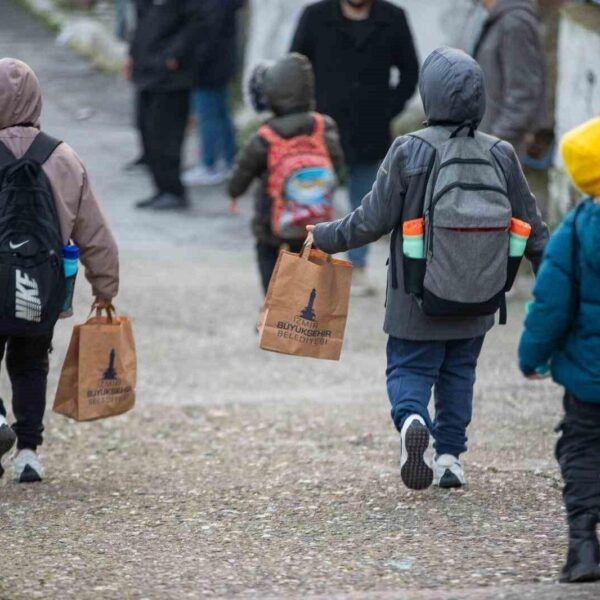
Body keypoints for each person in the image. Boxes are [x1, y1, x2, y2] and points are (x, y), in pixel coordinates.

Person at [307, 48, 548, 491]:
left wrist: (323, 237)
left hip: (416, 294)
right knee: (459, 373)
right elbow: (532, 225)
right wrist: (551, 276)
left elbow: (371, 221)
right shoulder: (501, 153)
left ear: (429, 95)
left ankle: (413, 420)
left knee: (409, 370)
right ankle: (451, 458)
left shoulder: (409, 149)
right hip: (480, 294)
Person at [0, 58, 119, 483]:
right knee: (31, 363)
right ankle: (28, 452)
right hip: (45, 287)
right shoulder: (63, 156)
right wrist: (105, 284)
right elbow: (94, 228)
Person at [291, 0, 419, 296]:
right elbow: (296, 67)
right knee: (314, 197)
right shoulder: (315, 16)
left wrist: (388, 107)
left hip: (369, 129)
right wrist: (307, 113)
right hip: (323, 127)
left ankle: (356, 270)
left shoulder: (393, 18)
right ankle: (313, 266)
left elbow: (410, 71)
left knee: (365, 202)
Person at [519, 117, 600, 584]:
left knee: (583, 449)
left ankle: (584, 546)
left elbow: (550, 303)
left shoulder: (575, 232)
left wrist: (532, 355)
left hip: (588, 378)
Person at [228, 54, 344, 295]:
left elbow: (245, 168)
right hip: (313, 213)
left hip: (273, 213)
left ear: (270, 95)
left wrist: (234, 191)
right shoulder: (324, 126)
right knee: (306, 255)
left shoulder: (267, 135)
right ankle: (301, 307)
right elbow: (337, 163)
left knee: (267, 251)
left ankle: (272, 304)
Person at [125, 0, 203, 211]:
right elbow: (140, 23)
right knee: (147, 130)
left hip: (172, 78)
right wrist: (132, 55)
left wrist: (175, 55)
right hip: (146, 71)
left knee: (166, 135)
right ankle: (160, 189)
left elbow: (196, 24)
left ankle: (173, 191)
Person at [472, 0, 546, 156]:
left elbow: (524, 93)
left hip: (496, 151)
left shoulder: (515, 22)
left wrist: (496, 141)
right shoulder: (497, 18)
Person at [183, 0, 243, 187]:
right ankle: (228, 160)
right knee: (220, 113)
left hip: (209, 64)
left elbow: (207, 29)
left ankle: (209, 164)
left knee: (208, 114)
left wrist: (194, 59)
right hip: (220, 61)